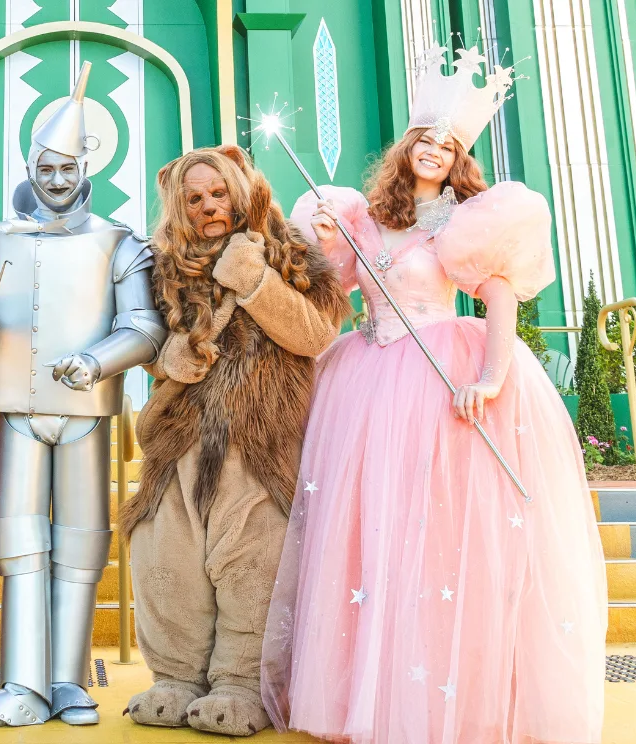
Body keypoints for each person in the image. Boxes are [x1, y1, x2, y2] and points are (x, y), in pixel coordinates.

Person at [260, 45, 607, 743]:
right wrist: (324, 243)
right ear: (408, 146)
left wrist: (493, 376)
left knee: (433, 531)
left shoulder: (463, 222)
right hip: (365, 379)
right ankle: (367, 693)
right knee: (369, 530)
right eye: (427, 139)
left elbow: (499, 296)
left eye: (449, 147)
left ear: (457, 162)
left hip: (435, 371)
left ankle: (442, 695)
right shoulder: (363, 216)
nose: (435, 151)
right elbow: (336, 290)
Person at [0, 62, 166, 730]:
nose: (56, 181)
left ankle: (67, 680)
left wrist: (96, 360)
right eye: (46, 169)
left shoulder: (119, 242)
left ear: (85, 170)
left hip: (87, 412)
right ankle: (21, 683)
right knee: (18, 541)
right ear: (30, 169)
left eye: (66, 169)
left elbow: (145, 327)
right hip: (20, 410)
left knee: (82, 544)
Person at [120, 144, 350, 737]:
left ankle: (242, 684)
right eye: (194, 198)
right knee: (165, 553)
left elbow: (317, 334)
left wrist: (256, 282)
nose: (208, 206)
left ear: (239, 190)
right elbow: (143, 336)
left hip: (261, 441)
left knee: (255, 560)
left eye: (218, 193)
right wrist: (166, 360)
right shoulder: (162, 265)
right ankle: (175, 676)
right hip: (180, 439)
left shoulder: (289, 249)